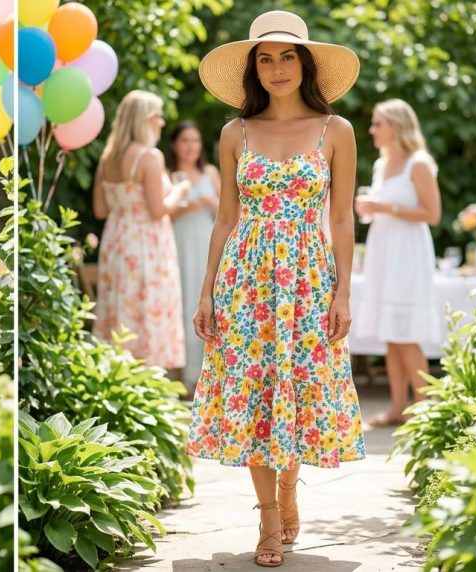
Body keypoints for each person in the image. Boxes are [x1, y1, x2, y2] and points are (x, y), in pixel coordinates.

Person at [185, 10, 366, 567]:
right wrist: (207, 290)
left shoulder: (337, 130)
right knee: (253, 393)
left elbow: (341, 219)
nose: (277, 67)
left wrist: (342, 292)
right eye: (265, 58)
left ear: (305, 64)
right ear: (253, 69)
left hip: (308, 280)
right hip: (246, 281)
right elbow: (223, 218)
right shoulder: (234, 133)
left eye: (287, 56)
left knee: (295, 390)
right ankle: (267, 518)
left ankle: (290, 489)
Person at [353, 99, 441, 427]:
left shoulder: (419, 163)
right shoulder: (381, 164)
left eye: (378, 123)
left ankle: (426, 409)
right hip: (384, 250)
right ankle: (398, 408)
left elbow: (432, 214)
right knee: (391, 333)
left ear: (396, 126)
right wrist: (371, 209)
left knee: (406, 333)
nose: (373, 129)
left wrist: (386, 208)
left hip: (408, 253)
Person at [91, 90, 186, 370]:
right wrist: (179, 191)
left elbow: (100, 210)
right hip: (146, 243)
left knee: (121, 304)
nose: (161, 123)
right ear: (144, 120)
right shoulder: (149, 157)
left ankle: (120, 375)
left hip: (116, 241)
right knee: (146, 306)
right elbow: (157, 210)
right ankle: (148, 379)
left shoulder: (108, 158)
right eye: (158, 117)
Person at [165, 121, 221, 392]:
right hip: (177, 240)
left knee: (205, 298)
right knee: (181, 300)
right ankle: (178, 375)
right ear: (175, 144)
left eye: (195, 141)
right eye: (185, 141)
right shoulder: (168, 173)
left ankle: (203, 376)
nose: (191, 147)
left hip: (205, 240)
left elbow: (228, 211)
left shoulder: (210, 173)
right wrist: (187, 207)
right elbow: (162, 212)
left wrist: (211, 203)